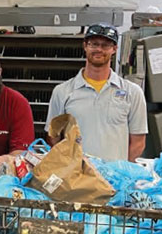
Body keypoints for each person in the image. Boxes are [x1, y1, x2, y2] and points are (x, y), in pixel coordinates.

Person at [45, 23, 147, 161]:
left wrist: (119, 173)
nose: (99, 49)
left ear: (114, 49)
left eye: (105, 45)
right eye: (94, 44)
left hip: (114, 180)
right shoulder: (62, 92)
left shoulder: (133, 93)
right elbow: (53, 138)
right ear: (85, 46)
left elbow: (138, 143)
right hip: (75, 179)